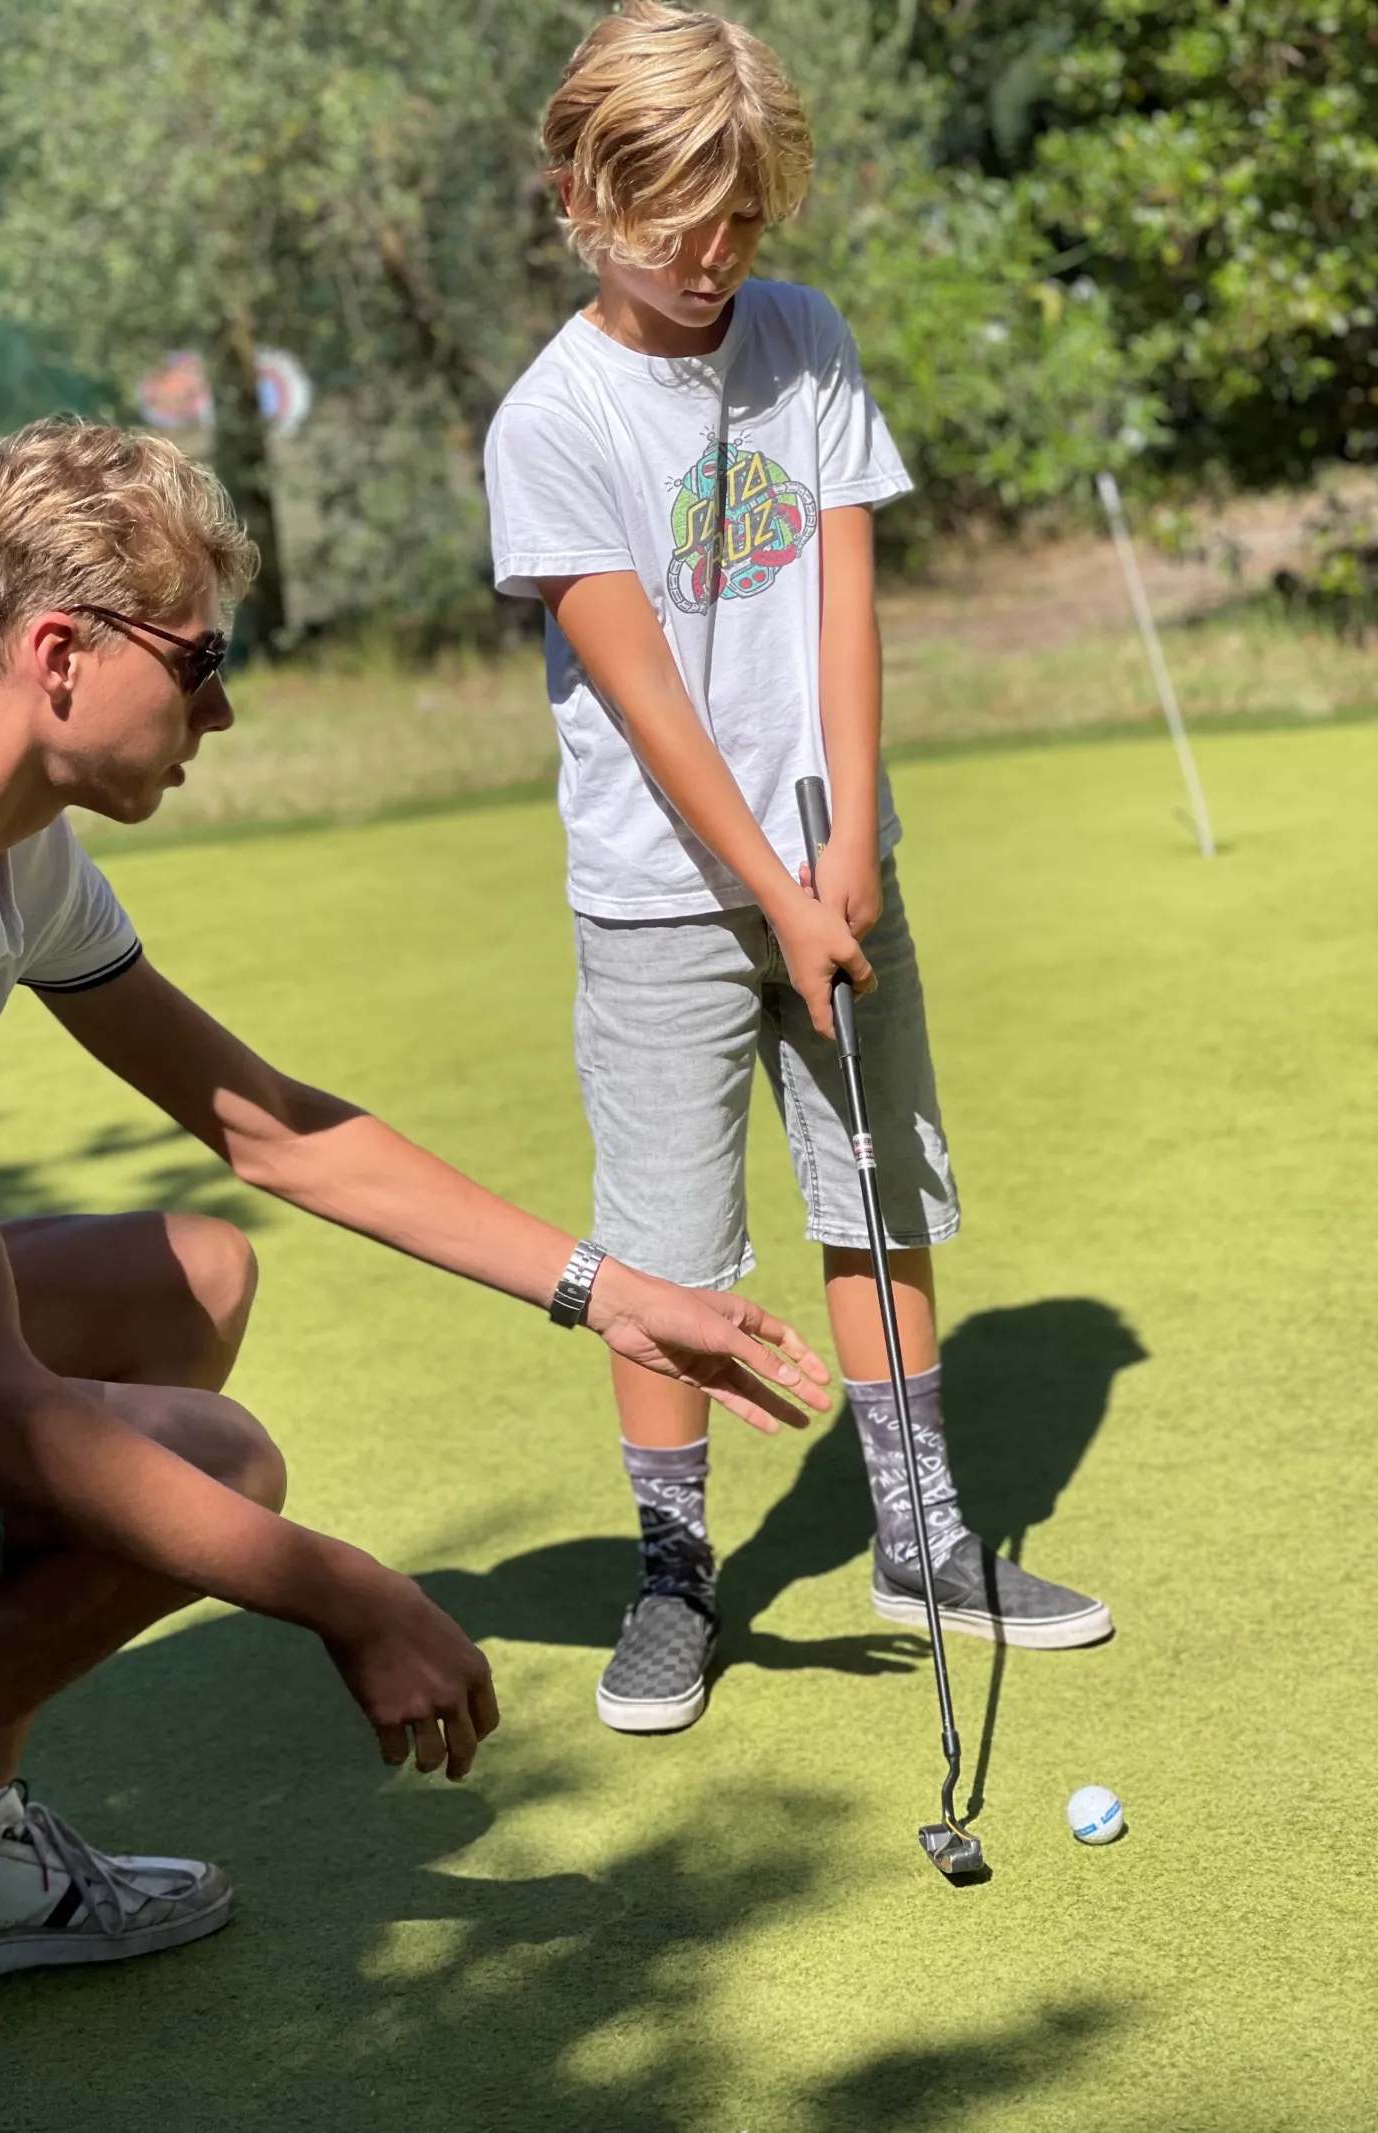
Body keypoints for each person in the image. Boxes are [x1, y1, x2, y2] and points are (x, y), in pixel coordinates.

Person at [0, 416, 835, 2113]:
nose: (222, 711)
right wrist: (339, 1587)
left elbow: (272, 1130)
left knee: (188, 1279)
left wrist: (618, 1295)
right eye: (200, 661)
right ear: (60, 654)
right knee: (213, 1466)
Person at [483, 0, 1113, 1740]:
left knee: (876, 1193)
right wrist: (776, 885)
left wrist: (848, 847)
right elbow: (649, 698)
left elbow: (843, 600)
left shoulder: (805, 338)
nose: (716, 257)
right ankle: (674, 1577)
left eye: (744, 219)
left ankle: (922, 1537)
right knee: (667, 1251)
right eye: (678, 220)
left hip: (838, 869)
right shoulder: (552, 420)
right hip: (664, 893)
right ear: (580, 195)